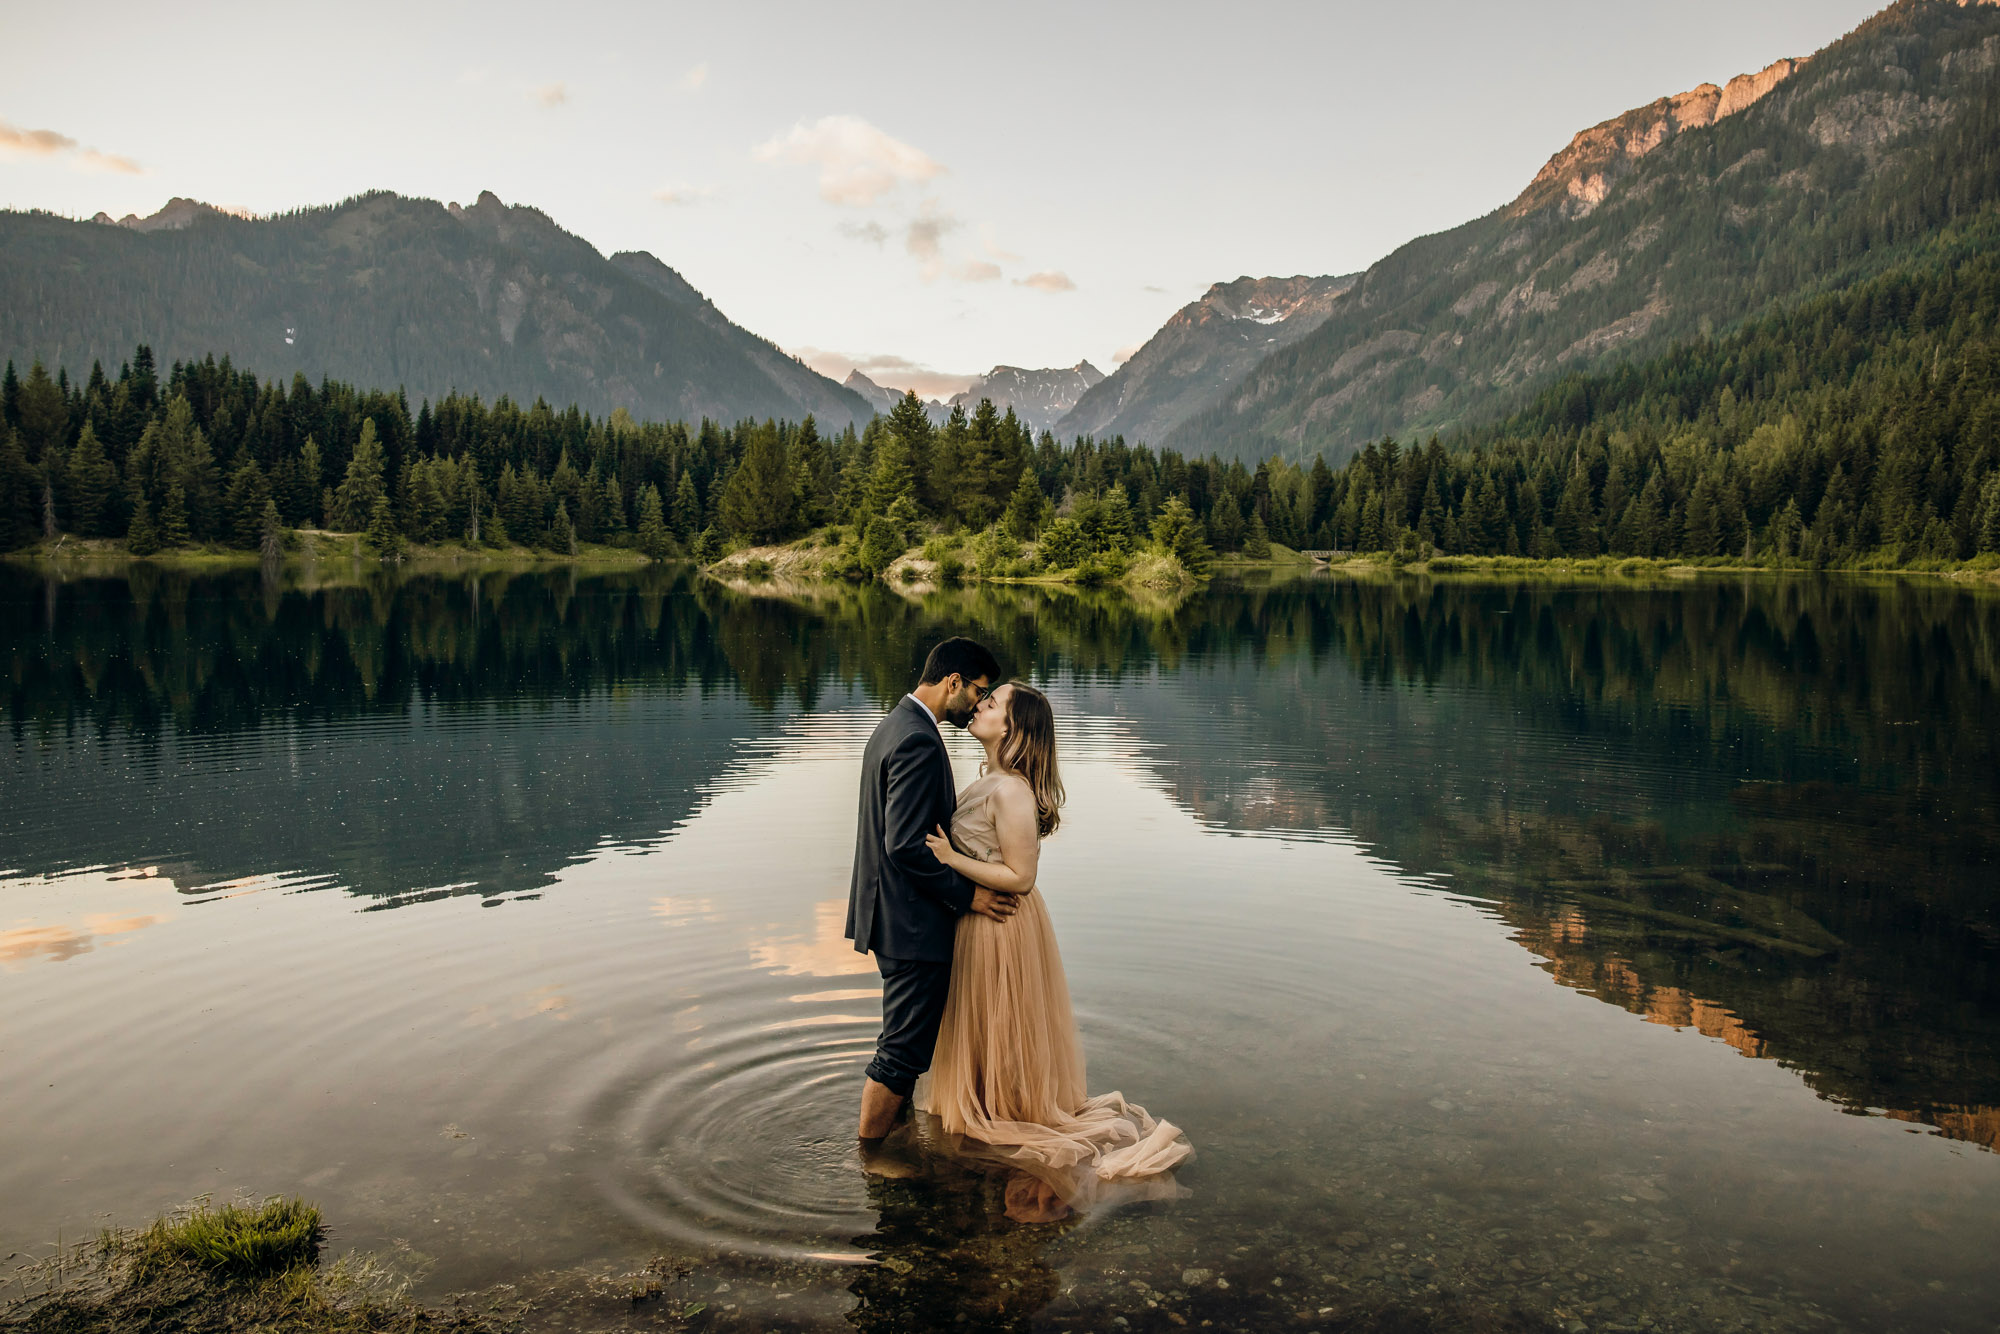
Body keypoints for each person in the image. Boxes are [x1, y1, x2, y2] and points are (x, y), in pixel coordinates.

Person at [915, 681, 1190, 1215]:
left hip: (1002, 922)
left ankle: (1007, 1114)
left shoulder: (1012, 790)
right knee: (986, 1024)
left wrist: (950, 860)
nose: (979, 706)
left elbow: (1019, 876)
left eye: (992, 704)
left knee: (1003, 1021)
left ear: (1013, 729)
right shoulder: (989, 780)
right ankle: (991, 1109)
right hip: (979, 918)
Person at [846, 636, 1014, 1142]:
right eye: (980, 692)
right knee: (901, 1053)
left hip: (889, 914)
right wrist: (971, 896)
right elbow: (905, 846)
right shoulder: (918, 738)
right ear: (953, 682)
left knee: (904, 1045)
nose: (980, 704)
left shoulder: (896, 723)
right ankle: (872, 1156)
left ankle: (896, 1141)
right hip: (913, 924)